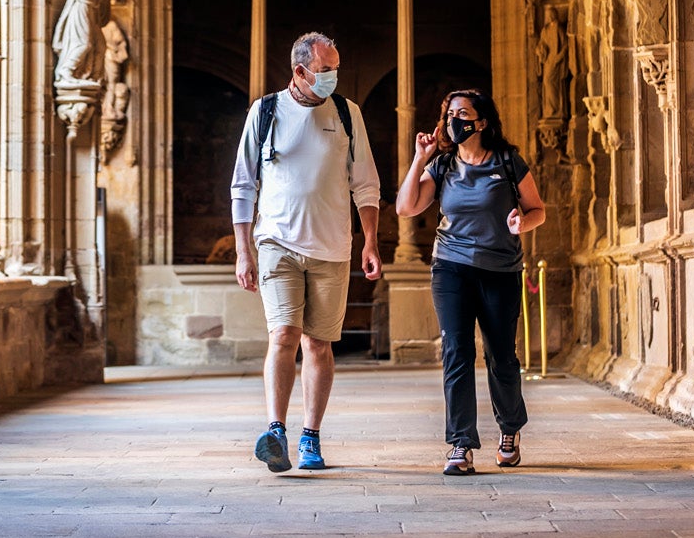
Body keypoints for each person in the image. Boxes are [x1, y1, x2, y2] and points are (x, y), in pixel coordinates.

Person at [231, 32, 382, 472]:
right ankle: (275, 430)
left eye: (336, 68)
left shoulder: (348, 114)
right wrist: (244, 251)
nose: (333, 77)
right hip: (276, 242)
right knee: (283, 335)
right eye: (325, 70)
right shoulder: (265, 112)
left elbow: (366, 183)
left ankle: (311, 436)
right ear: (299, 71)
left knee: (318, 343)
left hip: (332, 247)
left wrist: (370, 240)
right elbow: (243, 185)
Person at [395, 89, 546, 475]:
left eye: (462, 113)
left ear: (482, 121)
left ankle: (509, 430)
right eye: (448, 114)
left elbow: (537, 210)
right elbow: (406, 207)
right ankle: (460, 445)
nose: (453, 121)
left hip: (500, 269)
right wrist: (419, 159)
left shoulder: (509, 161)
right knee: (456, 352)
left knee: (501, 356)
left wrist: (522, 222)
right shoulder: (443, 165)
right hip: (451, 268)